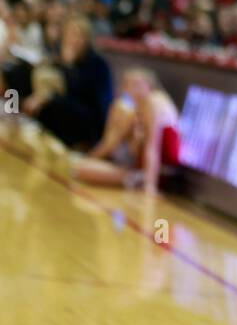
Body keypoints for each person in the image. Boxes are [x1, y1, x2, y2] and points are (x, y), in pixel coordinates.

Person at [71, 67, 181, 193]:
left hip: (161, 172)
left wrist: (150, 187)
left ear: (149, 85)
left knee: (83, 169)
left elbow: (153, 148)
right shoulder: (139, 109)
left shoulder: (152, 101)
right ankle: (134, 179)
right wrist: (135, 137)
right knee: (81, 167)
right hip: (147, 169)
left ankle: (137, 181)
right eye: (128, 84)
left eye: (137, 84)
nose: (132, 88)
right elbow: (135, 151)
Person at [23, 14, 113, 149]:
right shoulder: (65, 56)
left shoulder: (97, 64)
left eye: (78, 35)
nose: (73, 40)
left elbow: (75, 92)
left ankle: (71, 145)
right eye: (69, 34)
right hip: (69, 107)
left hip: (90, 117)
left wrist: (67, 66)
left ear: (87, 39)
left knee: (52, 103)